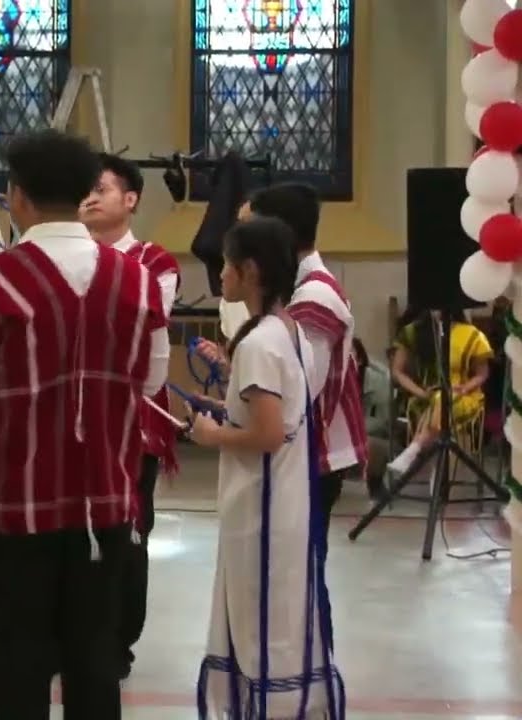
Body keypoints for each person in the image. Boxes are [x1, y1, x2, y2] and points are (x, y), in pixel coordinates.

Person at [0, 129, 169, 719]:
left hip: (13, 512)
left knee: (17, 673)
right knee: (96, 667)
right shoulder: (139, 283)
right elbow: (149, 381)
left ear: (16, 196)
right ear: (85, 192)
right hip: (106, 510)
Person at [188, 216, 344, 720]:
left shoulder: (258, 343)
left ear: (250, 271)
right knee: (282, 618)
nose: (221, 276)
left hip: (263, 508)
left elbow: (269, 434)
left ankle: (270, 708)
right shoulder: (288, 331)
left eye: (226, 266)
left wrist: (212, 435)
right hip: (286, 504)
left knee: (261, 621)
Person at [199, 183, 366, 554]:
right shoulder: (289, 297)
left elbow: (298, 392)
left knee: (297, 582)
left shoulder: (314, 297)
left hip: (310, 458)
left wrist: (216, 433)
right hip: (296, 452)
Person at [81, 152, 179, 679]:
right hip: (73, 418)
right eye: (83, 191)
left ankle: (119, 639)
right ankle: (73, 632)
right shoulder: (64, 257)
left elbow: (138, 326)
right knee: (72, 529)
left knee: (128, 528)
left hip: (133, 421)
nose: (90, 198)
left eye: (101, 188)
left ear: (131, 198)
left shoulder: (155, 261)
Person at [387, 309, 492, 478]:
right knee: (438, 398)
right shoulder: (413, 331)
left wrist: (465, 387)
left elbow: (482, 374)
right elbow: (398, 371)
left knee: (442, 398)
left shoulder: (472, 334)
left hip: (464, 395)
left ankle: (415, 449)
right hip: (425, 397)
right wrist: (420, 392)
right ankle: (434, 470)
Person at [353, 338, 393, 498]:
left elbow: (379, 421)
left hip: (369, 432)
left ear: (360, 359)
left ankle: (375, 482)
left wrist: (350, 431)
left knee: (373, 443)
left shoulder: (378, 381)